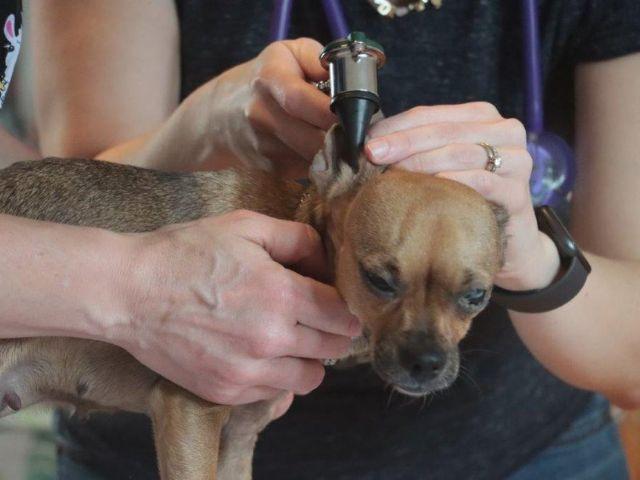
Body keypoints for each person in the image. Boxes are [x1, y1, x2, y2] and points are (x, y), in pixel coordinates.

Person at [24, 0, 640, 478]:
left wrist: (527, 251)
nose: (429, 343)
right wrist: (207, 119)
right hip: (144, 443)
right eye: (382, 279)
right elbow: (81, 198)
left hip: (524, 454)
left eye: (470, 297)